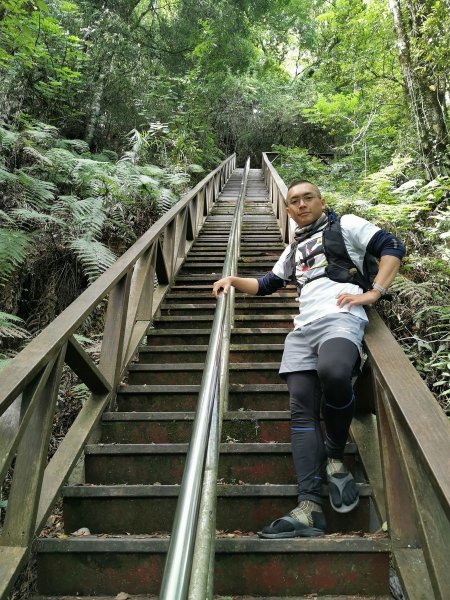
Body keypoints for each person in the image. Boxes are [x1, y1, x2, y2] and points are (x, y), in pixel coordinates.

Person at [212, 179, 405, 538]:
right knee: (301, 410)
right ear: (287, 210)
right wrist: (233, 280)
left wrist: (374, 292)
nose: (301, 205)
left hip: (341, 317)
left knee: (334, 372)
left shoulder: (345, 224)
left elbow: (392, 246)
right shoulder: (294, 246)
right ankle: (309, 508)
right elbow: (268, 283)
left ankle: (334, 455)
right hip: (302, 329)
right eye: (294, 202)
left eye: (307, 198)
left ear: (321, 200)